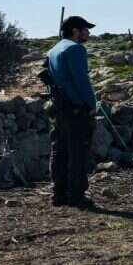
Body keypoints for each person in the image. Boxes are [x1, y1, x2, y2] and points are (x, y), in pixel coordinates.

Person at [46, 15, 98, 208]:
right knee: (78, 152)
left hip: (59, 106)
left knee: (59, 150)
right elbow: (81, 80)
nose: (88, 33)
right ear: (75, 31)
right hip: (76, 107)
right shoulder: (75, 49)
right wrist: (91, 104)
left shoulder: (53, 50)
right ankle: (76, 195)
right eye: (85, 29)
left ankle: (58, 193)